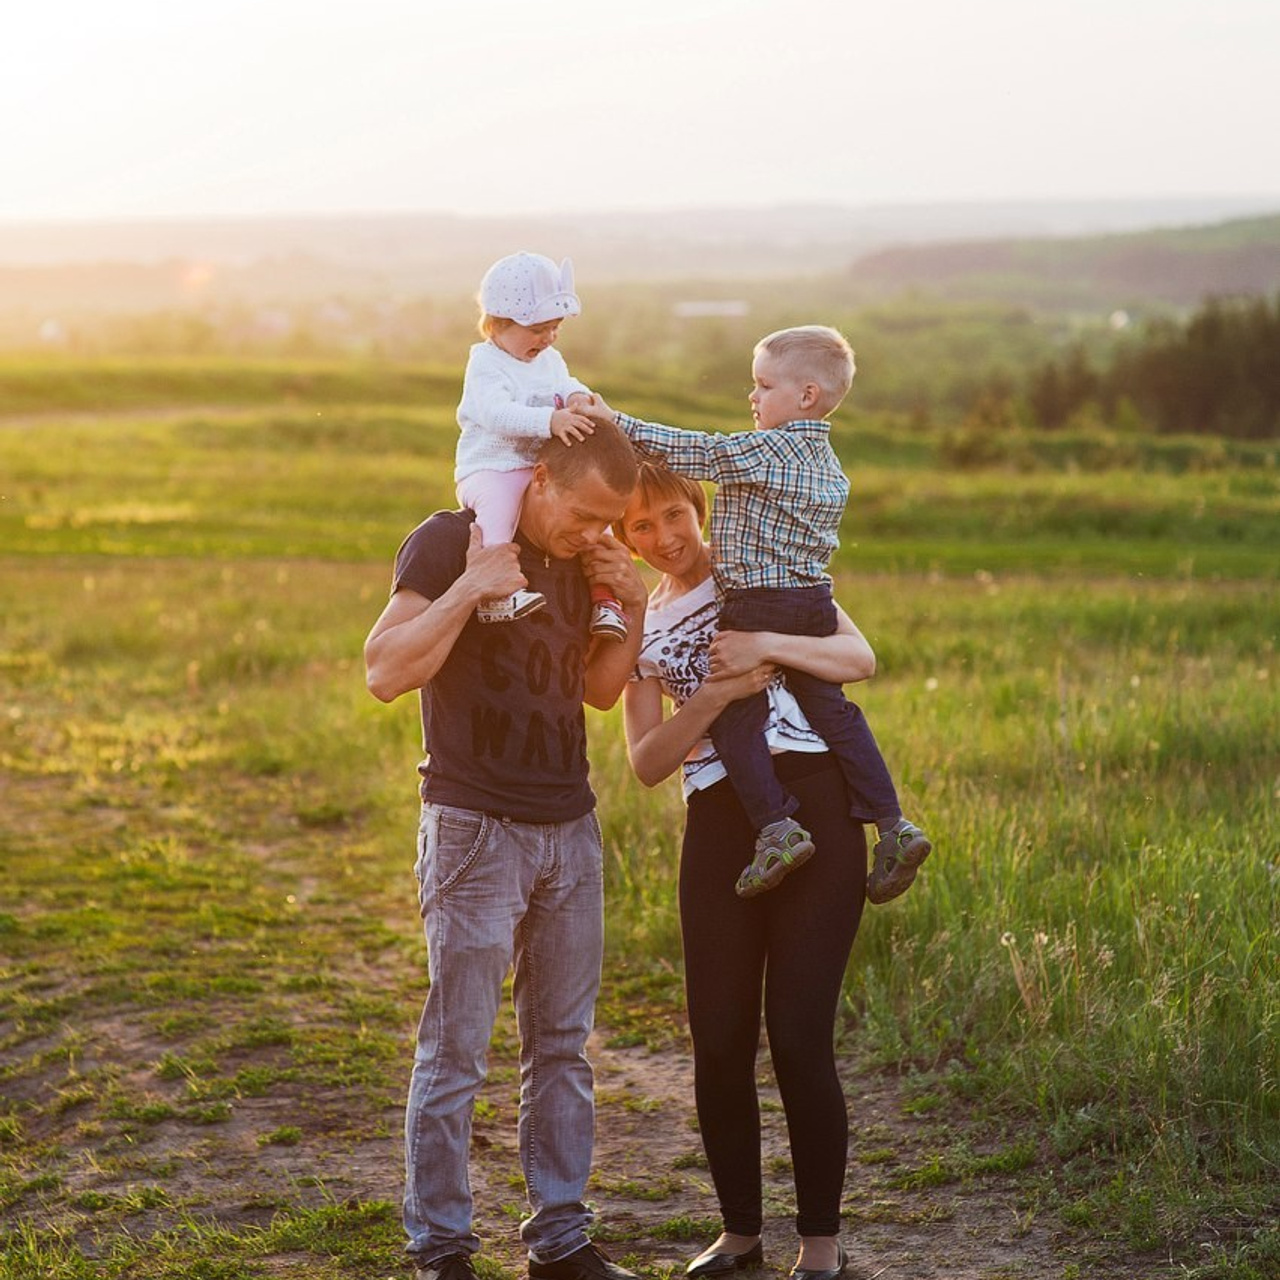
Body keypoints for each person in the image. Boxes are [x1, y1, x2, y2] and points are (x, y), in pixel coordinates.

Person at [364, 423, 647, 1280]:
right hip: (473, 828)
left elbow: (599, 694)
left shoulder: (583, 562)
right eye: (588, 515)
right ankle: (441, 1249)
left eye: (613, 522)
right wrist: (468, 591)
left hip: (570, 826)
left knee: (562, 1048)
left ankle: (559, 1242)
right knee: (457, 1050)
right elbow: (384, 670)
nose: (597, 533)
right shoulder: (455, 538)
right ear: (541, 481)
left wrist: (627, 609)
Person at [616, 461, 874, 1280]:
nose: (663, 538)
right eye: (639, 528)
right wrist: (716, 695)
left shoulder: (756, 570)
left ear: (699, 506)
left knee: (800, 1036)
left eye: (671, 515)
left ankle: (821, 1245)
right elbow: (647, 761)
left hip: (813, 804)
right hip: (718, 826)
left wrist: (764, 644)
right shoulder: (640, 626)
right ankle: (738, 1234)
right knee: (719, 1040)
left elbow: (858, 656)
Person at [587, 325, 931, 905]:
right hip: (808, 597)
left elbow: (703, 452)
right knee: (836, 712)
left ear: (807, 397)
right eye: (641, 526)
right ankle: (894, 824)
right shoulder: (831, 467)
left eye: (763, 385)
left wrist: (612, 421)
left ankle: (774, 826)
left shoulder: (770, 449)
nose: (752, 397)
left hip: (756, 601)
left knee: (734, 717)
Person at [456, 250, 627, 639]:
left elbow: (565, 384)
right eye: (537, 329)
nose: (547, 338)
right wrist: (550, 421)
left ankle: (606, 599)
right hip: (492, 467)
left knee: (597, 526)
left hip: (539, 470)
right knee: (498, 518)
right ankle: (496, 595)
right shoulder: (486, 364)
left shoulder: (549, 359)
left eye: (555, 328)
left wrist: (579, 398)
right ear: (497, 323)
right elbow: (496, 414)